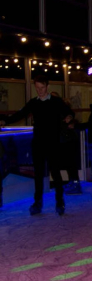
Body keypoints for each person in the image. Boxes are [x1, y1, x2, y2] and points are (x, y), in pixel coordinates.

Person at [0, 74, 70, 215]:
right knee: (38, 174)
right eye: (37, 88)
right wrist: (5, 121)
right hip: (38, 143)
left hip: (53, 143)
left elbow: (68, 112)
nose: (40, 90)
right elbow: (20, 114)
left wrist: (69, 117)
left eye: (42, 87)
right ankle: (37, 203)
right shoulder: (33, 103)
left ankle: (59, 202)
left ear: (47, 86)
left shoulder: (56, 101)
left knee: (55, 173)